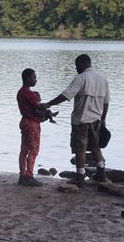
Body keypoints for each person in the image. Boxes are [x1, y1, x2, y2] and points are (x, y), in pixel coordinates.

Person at [43, 55, 110, 187]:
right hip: (97, 120)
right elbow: (106, 103)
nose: (75, 68)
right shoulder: (103, 79)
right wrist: (103, 120)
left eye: (77, 65)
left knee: (80, 149)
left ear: (83, 63)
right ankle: (101, 173)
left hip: (81, 120)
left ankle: (80, 176)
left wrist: (49, 104)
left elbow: (66, 95)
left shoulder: (81, 78)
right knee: (96, 147)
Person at [15, 68, 57, 187]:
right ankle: (29, 176)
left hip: (24, 122)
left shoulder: (20, 92)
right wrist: (47, 114)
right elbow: (37, 110)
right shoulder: (29, 93)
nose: (36, 80)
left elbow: (32, 109)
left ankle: (22, 175)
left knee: (24, 150)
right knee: (33, 150)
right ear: (28, 78)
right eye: (34, 78)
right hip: (32, 124)